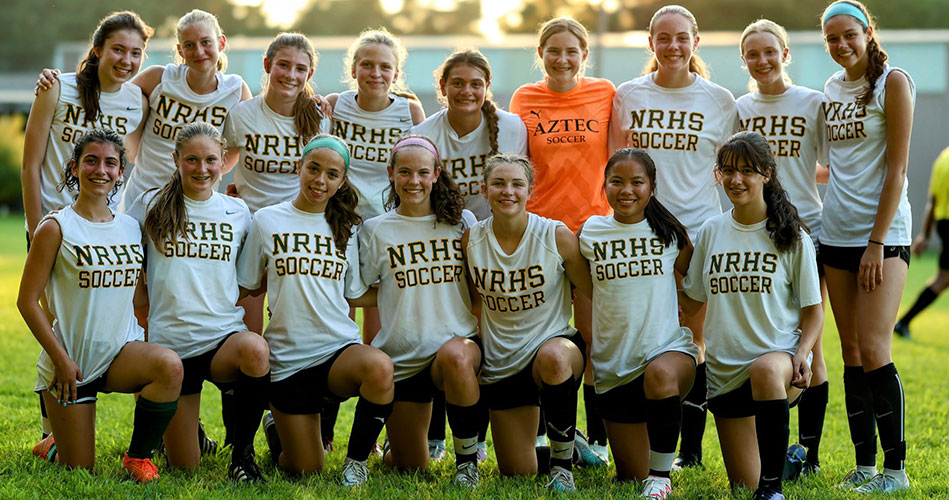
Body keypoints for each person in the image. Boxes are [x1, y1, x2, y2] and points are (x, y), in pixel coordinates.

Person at [611, 4, 738, 468]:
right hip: (643, 236)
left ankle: (691, 451)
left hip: (698, 234)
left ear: (695, 42)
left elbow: (730, 170)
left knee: (694, 340)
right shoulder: (628, 94)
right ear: (651, 43)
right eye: (663, 38)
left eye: (682, 37)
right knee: (641, 334)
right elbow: (616, 169)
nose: (673, 46)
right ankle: (643, 439)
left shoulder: (720, 100)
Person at [18, 129, 182, 483]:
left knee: (169, 365)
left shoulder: (130, 227)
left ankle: (138, 458)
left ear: (121, 171)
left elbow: (138, 298)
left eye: (110, 163)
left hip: (120, 353)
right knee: (80, 470)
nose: (100, 170)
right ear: (75, 167)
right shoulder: (56, 227)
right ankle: (54, 443)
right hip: (71, 364)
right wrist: (60, 359)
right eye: (91, 161)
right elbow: (27, 301)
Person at [22, 10, 152, 443]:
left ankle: (63, 433)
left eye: (136, 52)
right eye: (117, 49)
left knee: (83, 326)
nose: (126, 60)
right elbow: (31, 164)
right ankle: (53, 430)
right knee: (56, 327)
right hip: (54, 228)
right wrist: (36, 228)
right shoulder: (57, 87)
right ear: (97, 50)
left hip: (101, 230)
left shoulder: (136, 101)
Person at [237, 134, 393, 486]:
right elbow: (246, 284)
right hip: (288, 361)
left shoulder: (348, 227)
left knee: (380, 368)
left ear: (342, 181)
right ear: (300, 167)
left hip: (337, 349)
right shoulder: (267, 220)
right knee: (306, 469)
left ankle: (356, 463)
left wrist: (412, 290)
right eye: (314, 169)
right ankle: (277, 428)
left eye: (332, 174)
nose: (320, 180)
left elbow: (355, 294)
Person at [680, 131, 823, 500]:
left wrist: (802, 353)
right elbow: (691, 304)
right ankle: (788, 463)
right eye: (728, 170)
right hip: (725, 374)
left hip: (778, 364)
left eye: (747, 170)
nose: (736, 179)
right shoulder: (711, 231)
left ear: (766, 174)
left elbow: (813, 310)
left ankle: (772, 491)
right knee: (744, 482)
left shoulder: (791, 236)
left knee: (764, 370)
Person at [124, 122, 270, 482]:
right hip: (173, 349)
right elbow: (129, 264)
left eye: (210, 160)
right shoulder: (150, 205)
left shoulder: (238, 211)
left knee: (255, 349)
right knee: (184, 467)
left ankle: (243, 456)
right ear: (176, 160)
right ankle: (191, 437)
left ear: (223, 161)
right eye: (191, 159)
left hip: (222, 338)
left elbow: (248, 278)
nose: (201, 168)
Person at [509, 16, 614, 465]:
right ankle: (542, 436)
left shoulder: (605, 92)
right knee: (540, 338)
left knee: (592, 339)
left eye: (572, 51)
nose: (563, 59)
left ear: (584, 55)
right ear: (541, 54)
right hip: (541, 233)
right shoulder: (524, 98)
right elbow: (519, 164)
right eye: (554, 50)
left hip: (592, 232)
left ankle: (598, 441)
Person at [819, 1, 915, 493]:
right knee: (852, 351)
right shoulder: (831, 89)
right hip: (834, 234)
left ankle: (895, 472)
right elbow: (833, 166)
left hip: (882, 237)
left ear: (867, 32)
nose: (841, 45)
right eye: (832, 38)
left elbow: (897, 170)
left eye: (849, 35)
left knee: (876, 348)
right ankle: (865, 467)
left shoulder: (892, 82)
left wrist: (876, 242)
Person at [464, 154, 593, 492]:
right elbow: (473, 304)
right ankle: (571, 446)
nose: (508, 191)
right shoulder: (472, 240)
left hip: (555, 348)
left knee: (554, 357)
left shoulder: (555, 235)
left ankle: (562, 470)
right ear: (484, 190)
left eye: (517, 184)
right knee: (517, 471)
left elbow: (593, 291)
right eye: (498, 183)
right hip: (503, 363)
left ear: (530, 190)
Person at [359, 135, 483, 485]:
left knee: (456, 357)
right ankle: (395, 445)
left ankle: (467, 465)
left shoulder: (462, 221)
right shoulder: (375, 229)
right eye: (405, 172)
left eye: (423, 173)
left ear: (436, 174)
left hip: (457, 347)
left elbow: (478, 284)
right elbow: (360, 292)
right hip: (404, 357)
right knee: (410, 466)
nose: (414, 181)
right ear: (391, 174)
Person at [736, 18, 830, 476]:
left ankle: (808, 454)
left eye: (770, 51)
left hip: (807, 230)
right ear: (744, 61)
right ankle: (772, 444)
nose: (762, 60)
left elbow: (834, 164)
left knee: (813, 344)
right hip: (758, 236)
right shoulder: (739, 108)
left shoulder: (812, 102)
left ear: (785, 54)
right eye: (752, 54)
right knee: (771, 336)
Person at [323, 27, 424, 452]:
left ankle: (379, 434)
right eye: (367, 64)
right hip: (341, 224)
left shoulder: (410, 111)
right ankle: (324, 431)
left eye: (385, 67)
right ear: (353, 69)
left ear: (396, 73)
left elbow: (419, 166)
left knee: (382, 336)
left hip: (388, 230)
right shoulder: (335, 105)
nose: (375, 73)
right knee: (334, 325)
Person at [578, 148, 698, 498]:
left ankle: (661, 478)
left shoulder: (669, 232)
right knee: (631, 475)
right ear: (604, 185)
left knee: (660, 374)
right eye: (616, 181)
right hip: (614, 369)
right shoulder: (590, 233)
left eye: (637, 182)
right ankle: (582, 447)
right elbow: (573, 283)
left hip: (667, 355)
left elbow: (700, 283)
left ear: (651, 186)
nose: (626, 190)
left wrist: (680, 307)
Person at [411, 49, 527, 220]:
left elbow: (521, 189)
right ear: (443, 86)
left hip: (498, 229)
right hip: (443, 229)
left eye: (475, 84)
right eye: (458, 83)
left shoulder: (511, 127)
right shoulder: (422, 135)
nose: (466, 91)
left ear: (487, 87)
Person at [894, 145, 949, 338]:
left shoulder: (943, 158)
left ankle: (904, 322)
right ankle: (903, 322)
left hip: (943, 222)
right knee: (943, 279)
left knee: (943, 279)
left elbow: (932, 201)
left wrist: (925, 234)